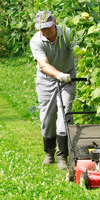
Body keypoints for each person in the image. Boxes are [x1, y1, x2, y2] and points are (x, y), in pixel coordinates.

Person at [30, 10, 76, 170]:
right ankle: (48, 152)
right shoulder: (36, 41)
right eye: (42, 29)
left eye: (48, 27)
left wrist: (85, 71)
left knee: (65, 112)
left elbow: (79, 53)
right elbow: (43, 64)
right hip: (46, 78)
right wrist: (58, 75)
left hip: (68, 77)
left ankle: (62, 155)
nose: (45, 32)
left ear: (54, 22)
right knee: (48, 117)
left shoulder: (68, 34)